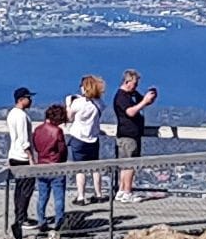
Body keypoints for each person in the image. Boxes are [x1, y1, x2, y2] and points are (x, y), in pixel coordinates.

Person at [111, 69, 158, 198]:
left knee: (126, 164)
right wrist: (143, 103)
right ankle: (127, 192)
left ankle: (121, 190)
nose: (136, 87)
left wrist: (150, 98)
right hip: (127, 135)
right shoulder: (121, 96)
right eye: (134, 84)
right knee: (129, 164)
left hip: (134, 134)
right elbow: (130, 112)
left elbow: (143, 102)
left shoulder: (133, 94)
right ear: (127, 82)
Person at [63, 74, 107, 209]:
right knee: (95, 167)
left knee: (80, 169)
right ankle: (98, 193)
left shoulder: (78, 103)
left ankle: (81, 196)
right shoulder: (100, 104)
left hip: (78, 139)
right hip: (93, 138)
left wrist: (68, 104)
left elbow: (69, 117)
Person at [0, 87, 39, 228]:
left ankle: (19, 215)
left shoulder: (11, 114)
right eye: (28, 97)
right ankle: (22, 218)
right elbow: (24, 139)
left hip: (13, 155)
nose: (31, 100)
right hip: (22, 157)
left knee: (19, 189)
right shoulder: (21, 116)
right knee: (26, 189)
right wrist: (31, 158)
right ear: (21, 99)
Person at [26, 100, 71, 230]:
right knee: (58, 196)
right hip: (56, 165)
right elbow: (62, 149)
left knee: (42, 196)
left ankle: (41, 220)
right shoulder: (57, 132)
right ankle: (59, 221)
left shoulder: (37, 130)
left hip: (41, 165)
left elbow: (35, 146)